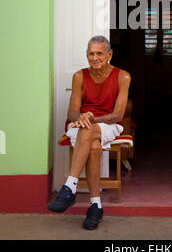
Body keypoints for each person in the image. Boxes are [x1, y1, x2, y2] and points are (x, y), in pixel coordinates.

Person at [47, 35, 131, 230]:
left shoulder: (122, 76)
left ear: (109, 54)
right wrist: (82, 116)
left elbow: (117, 114)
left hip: (108, 124)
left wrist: (91, 119)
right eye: (90, 54)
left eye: (99, 53)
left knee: (88, 128)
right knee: (93, 145)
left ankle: (69, 187)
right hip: (82, 123)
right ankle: (96, 206)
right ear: (86, 55)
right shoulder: (79, 76)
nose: (94, 58)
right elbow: (72, 112)